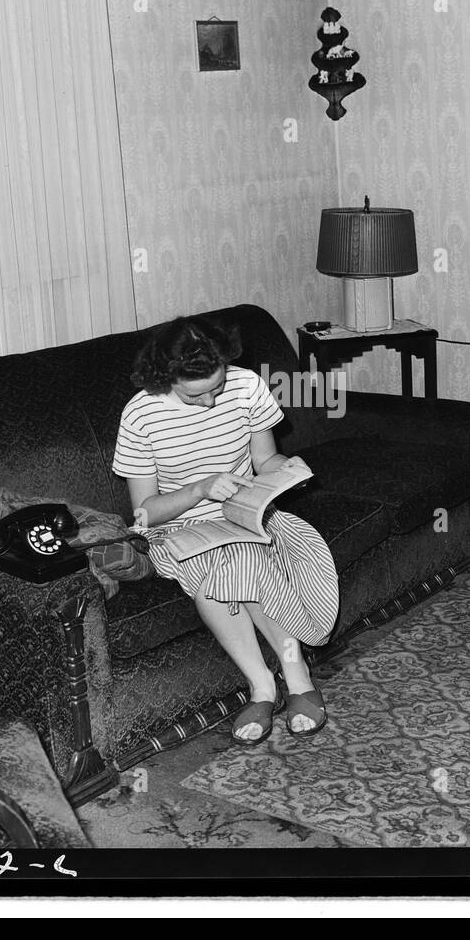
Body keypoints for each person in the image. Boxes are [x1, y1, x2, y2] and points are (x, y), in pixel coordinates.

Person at [112, 315, 339, 746]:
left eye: (216, 388)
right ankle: (271, 683)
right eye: (196, 395)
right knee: (234, 560)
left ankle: (284, 679)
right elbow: (145, 514)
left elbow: (265, 461)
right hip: (178, 530)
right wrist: (199, 489)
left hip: (243, 514)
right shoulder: (141, 415)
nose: (211, 402)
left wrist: (288, 470)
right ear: (166, 378)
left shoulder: (247, 385)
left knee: (243, 554)